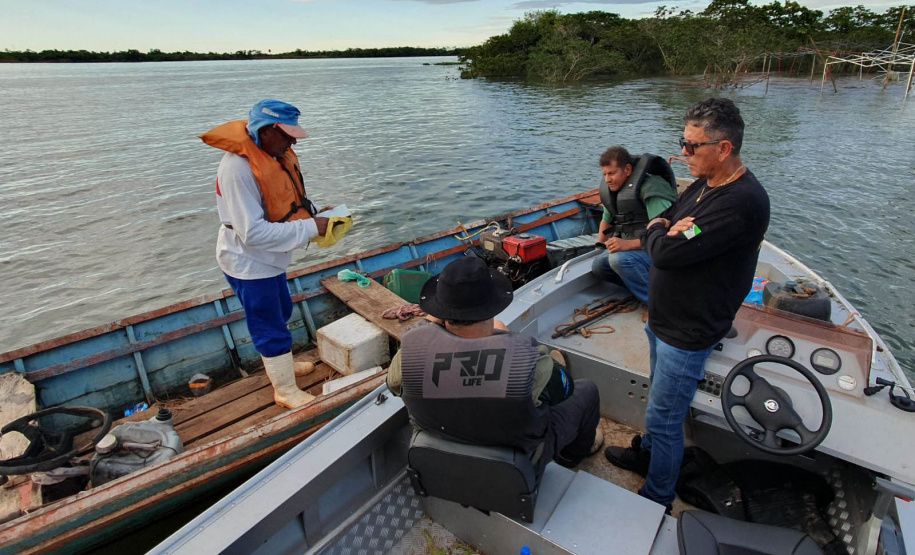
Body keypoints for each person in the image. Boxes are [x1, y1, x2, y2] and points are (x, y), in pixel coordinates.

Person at [603, 98, 770, 512]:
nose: (683, 153)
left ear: (724, 148)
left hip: (688, 331)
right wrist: (665, 226)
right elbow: (669, 221)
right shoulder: (703, 183)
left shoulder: (740, 202)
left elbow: (665, 254)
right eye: (683, 141)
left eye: (692, 146)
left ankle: (656, 496)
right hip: (664, 319)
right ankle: (648, 457)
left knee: (664, 416)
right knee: (656, 401)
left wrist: (661, 230)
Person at [386, 256, 604, 473]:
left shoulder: (408, 354)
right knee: (587, 391)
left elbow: (393, 383)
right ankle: (570, 456)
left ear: (442, 315)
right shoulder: (525, 360)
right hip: (513, 465)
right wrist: (506, 339)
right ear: (493, 307)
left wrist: (433, 321)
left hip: (444, 457)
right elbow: (564, 389)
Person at [200, 99, 332, 409]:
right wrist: (312, 228)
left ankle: (281, 363)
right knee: (268, 322)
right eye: (287, 135)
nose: (293, 141)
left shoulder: (274, 154)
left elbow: (284, 200)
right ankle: (284, 389)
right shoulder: (237, 168)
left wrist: (315, 214)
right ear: (268, 131)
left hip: (272, 259)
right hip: (248, 262)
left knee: (281, 310)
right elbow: (253, 233)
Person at [591, 146, 678, 305]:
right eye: (604, 174)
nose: (607, 179)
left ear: (628, 170)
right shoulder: (613, 190)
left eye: (612, 173)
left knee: (619, 260)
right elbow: (606, 221)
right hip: (633, 250)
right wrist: (599, 246)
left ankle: (658, 305)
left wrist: (628, 244)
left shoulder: (651, 189)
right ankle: (647, 288)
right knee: (598, 266)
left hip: (660, 252)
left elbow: (668, 232)